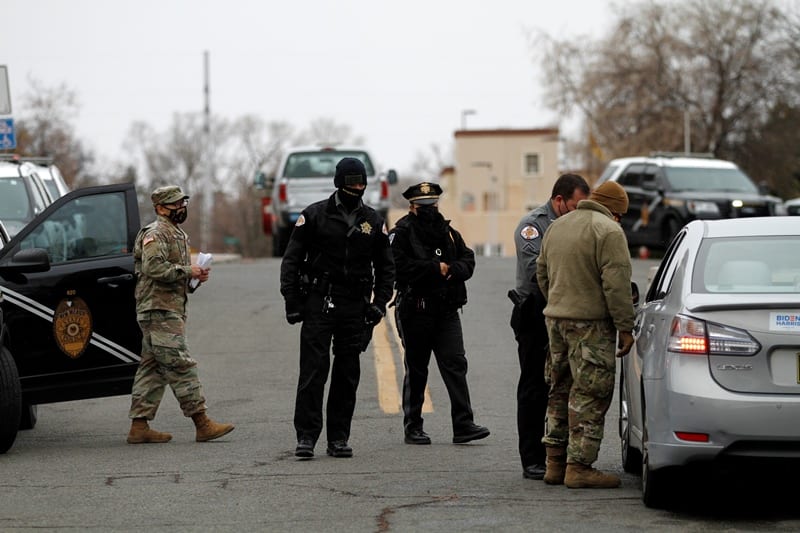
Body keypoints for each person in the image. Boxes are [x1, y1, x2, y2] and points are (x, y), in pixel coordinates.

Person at [280, 157, 395, 459]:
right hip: (320, 300)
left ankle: (339, 438)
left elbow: (386, 268)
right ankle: (306, 436)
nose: (357, 188)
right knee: (313, 372)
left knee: (347, 374)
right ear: (339, 183)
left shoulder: (373, 221)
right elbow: (291, 260)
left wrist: (379, 305)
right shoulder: (314, 215)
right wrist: (292, 301)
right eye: (351, 182)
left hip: (355, 305)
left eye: (361, 183)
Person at [536, 180, 635, 488]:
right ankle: (579, 466)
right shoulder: (608, 231)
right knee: (591, 392)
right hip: (591, 325)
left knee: (559, 389)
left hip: (555, 320)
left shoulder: (558, 226)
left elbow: (541, 272)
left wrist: (559, 301)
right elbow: (616, 285)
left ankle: (554, 463)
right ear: (615, 212)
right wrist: (625, 327)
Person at [127, 185, 235, 444]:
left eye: (182, 203)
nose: (181, 208)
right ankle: (202, 422)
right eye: (175, 204)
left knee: (153, 369)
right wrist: (188, 271)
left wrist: (194, 279)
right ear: (160, 208)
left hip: (168, 308)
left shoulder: (176, 233)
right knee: (180, 364)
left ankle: (139, 427)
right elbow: (154, 268)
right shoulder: (155, 233)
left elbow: (172, 273)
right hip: (158, 310)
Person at [390, 182, 490, 446]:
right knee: (417, 369)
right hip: (416, 311)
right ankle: (413, 426)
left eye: (432, 205)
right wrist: (437, 269)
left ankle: (464, 424)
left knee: (456, 365)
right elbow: (399, 268)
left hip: (446, 312)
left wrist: (451, 270)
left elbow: (468, 260)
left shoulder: (448, 232)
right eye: (423, 206)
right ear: (412, 207)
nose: (429, 210)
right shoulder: (401, 233)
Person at [510, 174, 590, 480]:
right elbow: (536, 272)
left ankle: (560, 455)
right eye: (574, 206)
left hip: (566, 314)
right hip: (535, 314)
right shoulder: (534, 226)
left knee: (565, 387)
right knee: (534, 387)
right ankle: (531, 458)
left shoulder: (579, 226)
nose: (578, 213)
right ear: (559, 201)